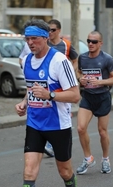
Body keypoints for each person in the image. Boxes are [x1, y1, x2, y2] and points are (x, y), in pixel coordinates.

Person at [13, 19, 81, 187]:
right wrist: (25, 102)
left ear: (45, 37)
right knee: (29, 172)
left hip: (58, 125)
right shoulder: (26, 61)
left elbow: (75, 95)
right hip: (35, 124)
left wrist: (51, 95)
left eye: (34, 38)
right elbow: (32, 89)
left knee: (65, 172)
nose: (30, 42)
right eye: (27, 38)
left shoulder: (59, 61)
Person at [76, 31, 113, 175]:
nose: (90, 44)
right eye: (89, 41)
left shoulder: (106, 59)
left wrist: (101, 82)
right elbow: (78, 72)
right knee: (81, 128)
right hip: (88, 97)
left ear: (100, 43)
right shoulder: (82, 58)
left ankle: (105, 159)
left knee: (102, 132)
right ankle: (88, 158)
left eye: (94, 42)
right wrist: (80, 78)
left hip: (102, 97)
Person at [42, 19, 79, 157]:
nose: (50, 32)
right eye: (48, 30)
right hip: (48, 84)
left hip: (63, 86)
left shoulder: (66, 45)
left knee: (63, 113)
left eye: (53, 30)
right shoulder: (44, 44)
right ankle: (48, 142)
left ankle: (60, 142)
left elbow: (75, 60)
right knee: (48, 111)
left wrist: (71, 75)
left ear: (59, 31)